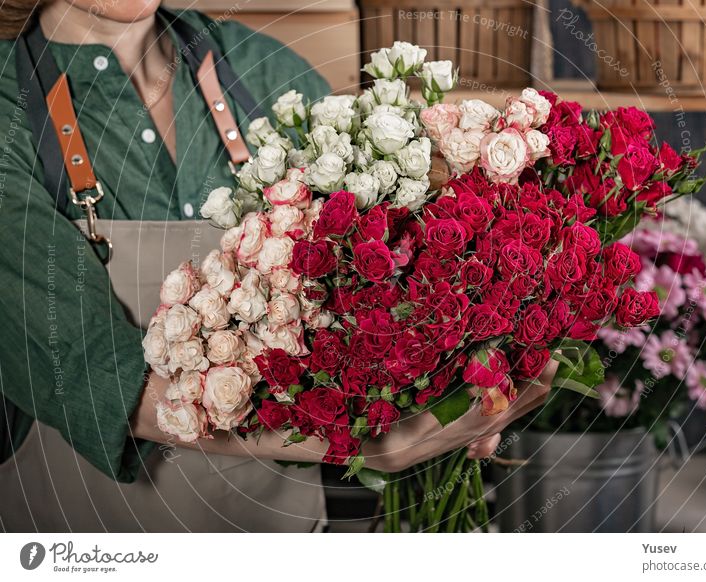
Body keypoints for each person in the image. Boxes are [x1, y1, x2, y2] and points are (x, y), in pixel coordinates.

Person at [0, 0, 554, 532]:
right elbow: (81, 365)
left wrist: (461, 382)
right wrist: (356, 439)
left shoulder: (257, 69)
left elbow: (380, 274)